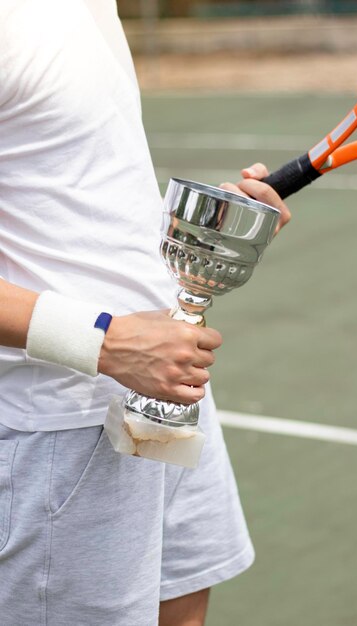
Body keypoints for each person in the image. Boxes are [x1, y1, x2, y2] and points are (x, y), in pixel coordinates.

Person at [0, 1, 290, 625]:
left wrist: (210, 224)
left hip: (166, 387)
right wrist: (104, 343)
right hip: (58, 423)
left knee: (180, 606)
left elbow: (73, 189)